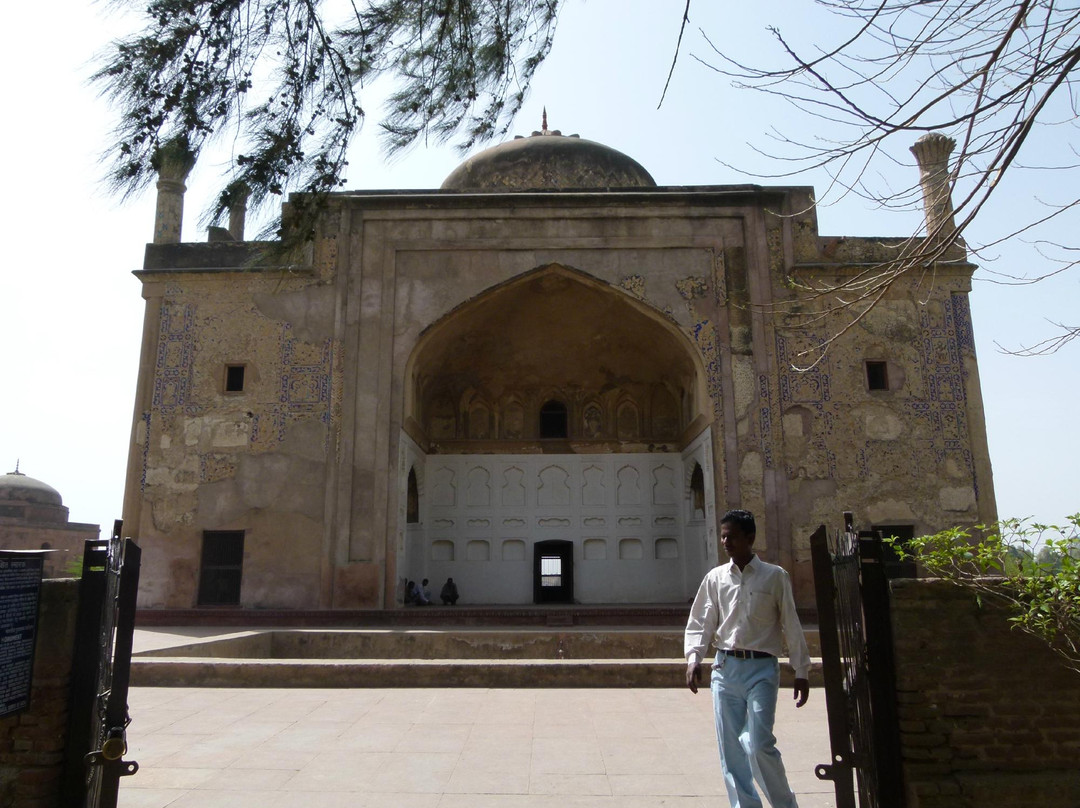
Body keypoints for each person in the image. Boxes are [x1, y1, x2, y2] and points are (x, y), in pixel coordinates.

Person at [684, 509, 810, 808]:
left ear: (750, 538)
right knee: (730, 748)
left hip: (762, 669)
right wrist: (694, 658)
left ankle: (784, 804)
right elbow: (702, 620)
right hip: (726, 668)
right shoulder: (716, 578)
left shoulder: (774, 576)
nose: (725, 541)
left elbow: (790, 623)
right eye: (723, 536)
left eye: (732, 536)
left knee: (758, 744)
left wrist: (801, 669)